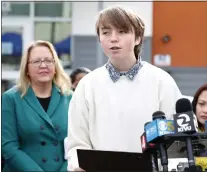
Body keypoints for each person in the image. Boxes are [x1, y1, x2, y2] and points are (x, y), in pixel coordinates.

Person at [64, 5, 182, 171]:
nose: (113, 38)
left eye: (122, 31)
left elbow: (177, 143)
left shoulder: (162, 81)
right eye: (106, 32)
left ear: (138, 38)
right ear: (99, 38)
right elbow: (77, 144)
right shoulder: (87, 85)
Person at [2, 40, 72, 172]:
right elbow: (9, 147)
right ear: (26, 69)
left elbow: (78, 142)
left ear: (55, 65)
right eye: (36, 61)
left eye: (48, 60)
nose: (43, 65)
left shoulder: (70, 97)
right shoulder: (10, 99)